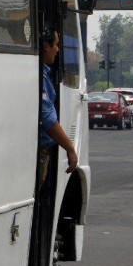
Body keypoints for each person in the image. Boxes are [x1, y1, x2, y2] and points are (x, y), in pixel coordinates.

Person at [38, 26, 78, 188]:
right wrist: (70, 148)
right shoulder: (39, 76)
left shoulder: (44, 74)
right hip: (40, 151)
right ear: (46, 46)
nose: (57, 50)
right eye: (56, 44)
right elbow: (47, 119)